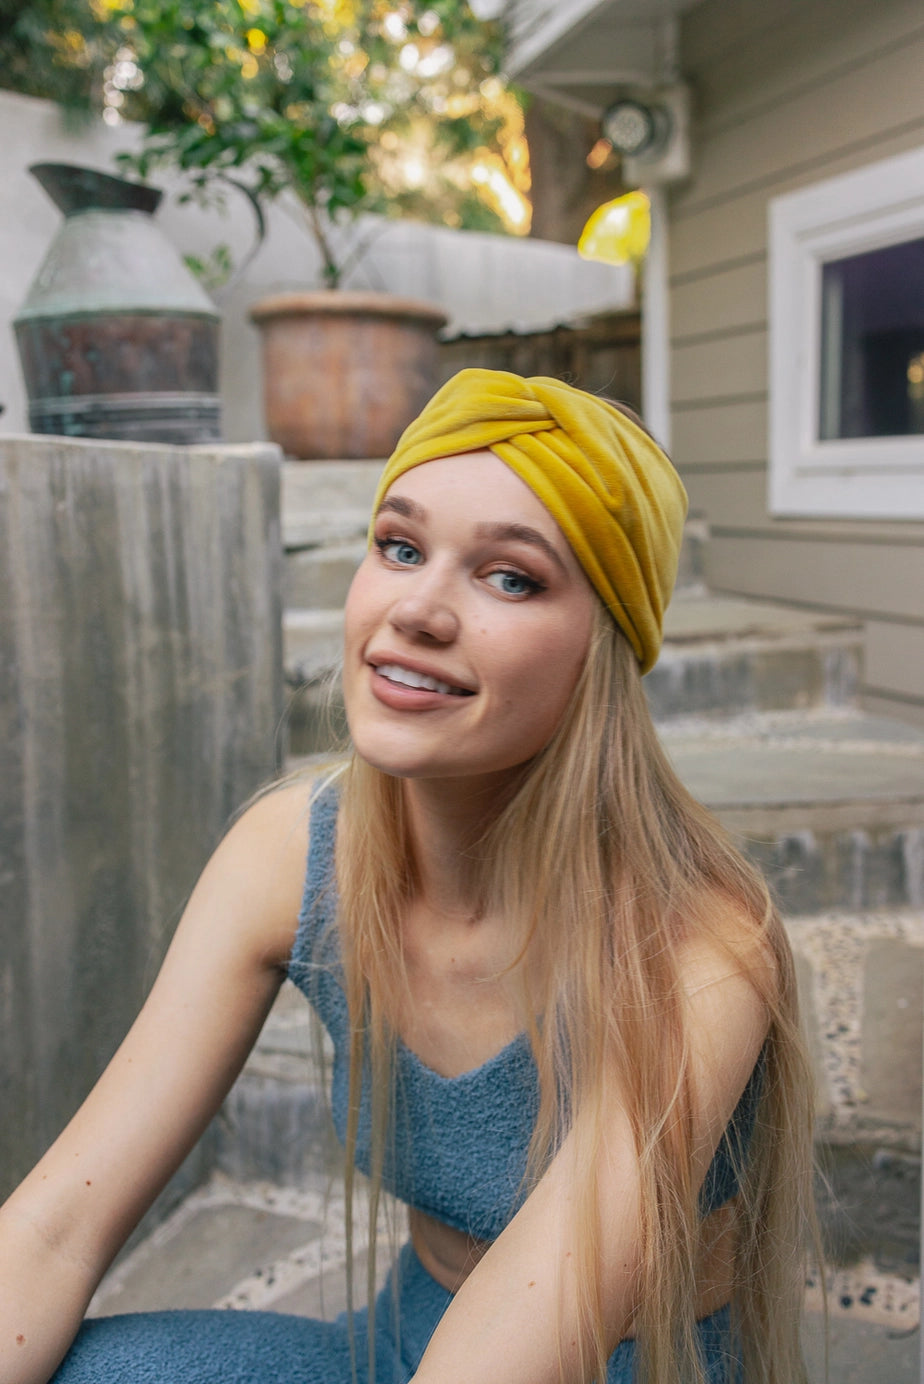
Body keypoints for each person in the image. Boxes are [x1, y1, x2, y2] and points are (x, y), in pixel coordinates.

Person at [0, 369, 816, 1384]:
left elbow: (531, 1341)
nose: (419, 609)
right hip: (403, 1348)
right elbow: (52, 1230)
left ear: (601, 652)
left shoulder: (702, 944)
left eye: (510, 576)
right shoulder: (293, 851)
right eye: (399, 546)